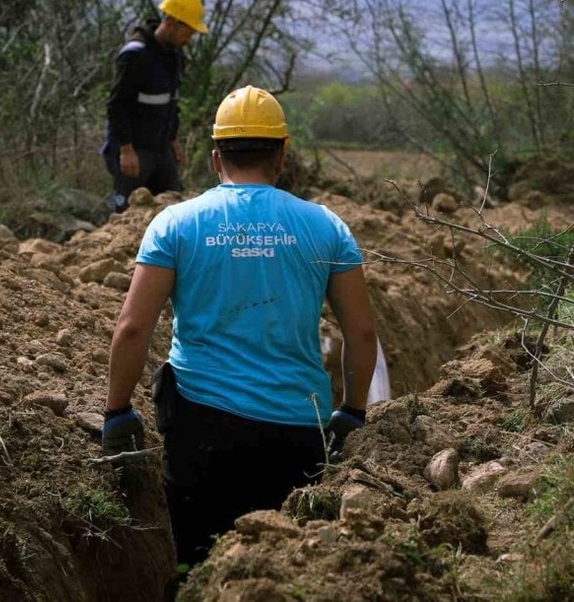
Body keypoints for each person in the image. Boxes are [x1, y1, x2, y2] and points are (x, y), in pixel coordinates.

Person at [101, 85, 378, 571]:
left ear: (214, 158)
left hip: (201, 433)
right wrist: (353, 411)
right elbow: (361, 334)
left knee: (195, 566)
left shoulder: (175, 224)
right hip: (297, 431)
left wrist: (117, 410)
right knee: (285, 571)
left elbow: (131, 329)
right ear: (282, 155)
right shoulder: (327, 226)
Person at [101, 0, 208, 210]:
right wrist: (126, 150)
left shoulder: (175, 57)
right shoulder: (135, 55)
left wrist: (173, 139)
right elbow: (116, 105)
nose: (189, 40)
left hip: (160, 147)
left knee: (174, 204)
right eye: (187, 32)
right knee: (125, 209)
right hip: (133, 151)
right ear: (170, 24)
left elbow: (170, 102)